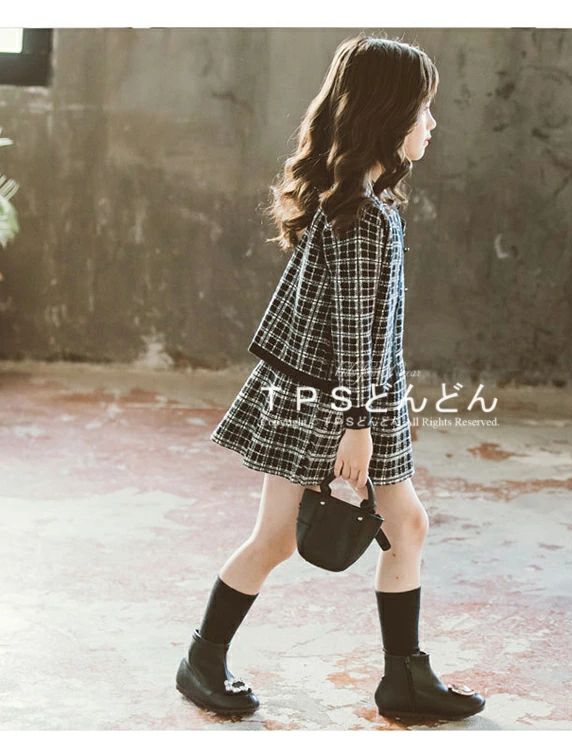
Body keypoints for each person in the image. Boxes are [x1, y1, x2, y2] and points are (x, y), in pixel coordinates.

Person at [176, 33, 485, 722]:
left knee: (394, 525)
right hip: (338, 403)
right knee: (298, 536)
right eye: (423, 109)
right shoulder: (362, 217)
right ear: (388, 114)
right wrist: (358, 426)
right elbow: (352, 334)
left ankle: (400, 677)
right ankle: (209, 659)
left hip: (337, 397)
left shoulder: (358, 202)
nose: (432, 124)